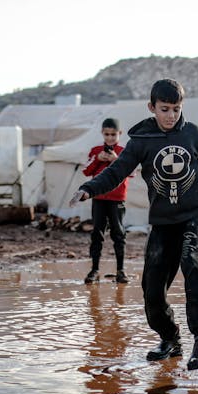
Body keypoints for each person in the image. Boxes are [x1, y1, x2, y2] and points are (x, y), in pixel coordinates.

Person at [69, 78, 198, 370]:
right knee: (151, 287)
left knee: (191, 262)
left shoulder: (193, 133)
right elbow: (117, 170)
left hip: (195, 214)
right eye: (165, 109)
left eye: (176, 109)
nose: (171, 115)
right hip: (162, 222)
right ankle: (170, 338)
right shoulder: (141, 141)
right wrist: (89, 188)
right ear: (152, 107)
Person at [81, 118, 130, 285]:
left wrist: (115, 160)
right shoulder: (95, 151)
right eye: (107, 134)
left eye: (113, 134)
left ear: (119, 134)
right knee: (97, 234)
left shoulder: (124, 151)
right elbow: (86, 171)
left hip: (117, 199)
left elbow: (131, 173)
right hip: (99, 199)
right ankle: (94, 269)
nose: (109, 138)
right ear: (102, 133)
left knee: (119, 234)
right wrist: (98, 159)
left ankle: (121, 270)